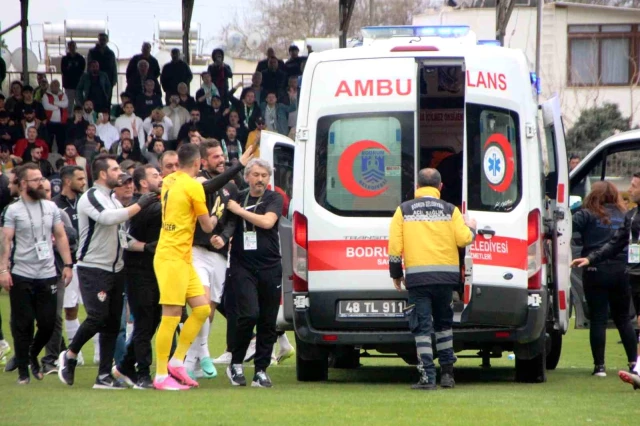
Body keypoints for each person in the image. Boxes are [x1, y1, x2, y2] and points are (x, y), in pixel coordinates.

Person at [57, 155, 157, 389]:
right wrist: (140, 205)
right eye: (115, 169)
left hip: (117, 269)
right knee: (97, 317)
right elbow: (108, 219)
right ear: (103, 174)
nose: (120, 174)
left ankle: (103, 376)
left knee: (113, 323)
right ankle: (69, 354)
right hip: (94, 267)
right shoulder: (91, 197)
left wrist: (146, 247)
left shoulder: (112, 199)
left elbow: (122, 237)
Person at [388, 168, 476, 390]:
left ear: (417, 187)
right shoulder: (451, 210)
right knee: (444, 325)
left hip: (418, 279)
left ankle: (427, 377)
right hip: (445, 279)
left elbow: (395, 247)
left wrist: (396, 273)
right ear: (440, 187)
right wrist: (472, 227)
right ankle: (448, 374)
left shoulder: (403, 210)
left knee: (422, 327)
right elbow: (464, 239)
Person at [0, 163, 73, 384]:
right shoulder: (12, 210)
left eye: (41, 179)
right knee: (23, 323)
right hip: (22, 273)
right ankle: (23, 369)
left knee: (49, 322)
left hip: (48, 272)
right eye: (36, 180)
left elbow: (60, 236)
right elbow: (6, 241)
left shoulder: (51, 208)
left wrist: (68, 264)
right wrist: (4, 269)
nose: (41, 183)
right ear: (23, 184)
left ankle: (32, 353)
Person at [151, 144, 216, 391]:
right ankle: (160, 375)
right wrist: (217, 216)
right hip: (171, 258)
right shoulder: (194, 186)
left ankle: (177, 361)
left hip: (181, 257)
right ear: (199, 162)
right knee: (171, 316)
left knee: (201, 309)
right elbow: (207, 226)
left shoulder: (169, 180)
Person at [572, 176, 640, 384]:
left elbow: (566, 224)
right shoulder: (625, 214)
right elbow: (618, 242)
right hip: (622, 271)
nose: (628, 189)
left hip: (596, 270)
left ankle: (599, 366)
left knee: (599, 318)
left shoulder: (588, 214)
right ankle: (633, 363)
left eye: (633, 185)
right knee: (624, 318)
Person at [224, 158, 285, 388]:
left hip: (270, 265)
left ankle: (261, 370)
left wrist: (239, 211)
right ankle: (236, 363)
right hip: (243, 265)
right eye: (256, 175)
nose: (260, 180)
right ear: (248, 176)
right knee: (249, 314)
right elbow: (227, 223)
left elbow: (268, 222)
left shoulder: (273, 198)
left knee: (268, 320)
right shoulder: (237, 196)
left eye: (264, 176)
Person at [184, 141, 239, 379]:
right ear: (203, 161)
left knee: (211, 308)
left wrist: (224, 237)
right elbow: (207, 189)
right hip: (197, 249)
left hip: (218, 254)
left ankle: (195, 358)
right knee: (201, 304)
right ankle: (192, 358)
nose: (221, 159)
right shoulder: (199, 182)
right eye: (215, 156)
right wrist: (240, 165)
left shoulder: (232, 188)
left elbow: (231, 219)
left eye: (222, 155)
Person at [111, 164, 163, 389]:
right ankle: (143, 373)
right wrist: (148, 247)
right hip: (137, 270)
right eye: (155, 175)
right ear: (143, 182)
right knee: (143, 322)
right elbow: (126, 237)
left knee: (154, 320)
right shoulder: (138, 205)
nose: (160, 177)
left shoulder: (157, 202)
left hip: (158, 269)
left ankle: (123, 366)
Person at [53, 166, 87, 366]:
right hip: (69, 262)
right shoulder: (55, 205)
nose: (84, 182)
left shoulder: (85, 201)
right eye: (80, 178)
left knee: (96, 309)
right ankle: (76, 351)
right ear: (67, 181)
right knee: (70, 308)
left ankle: (100, 353)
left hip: (89, 260)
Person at [61, 41, 86, 115]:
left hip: (79, 85)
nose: (72, 48)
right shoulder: (65, 59)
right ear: (68, 47)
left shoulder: (81, 58)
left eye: (73, 46)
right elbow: (63, 71)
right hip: (68, 85)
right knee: (69, 105)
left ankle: (81, 119)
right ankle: (69, 120)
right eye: (70, 46)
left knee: (80, 104)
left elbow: (82, 71)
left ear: (76, 47)